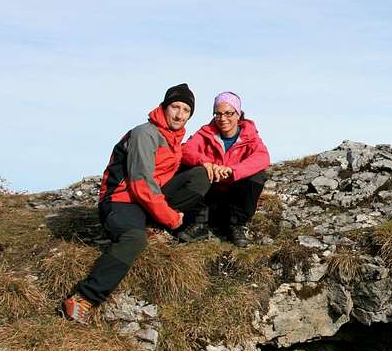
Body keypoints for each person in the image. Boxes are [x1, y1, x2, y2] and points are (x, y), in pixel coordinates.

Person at [60, 83, 211, 323]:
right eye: (175, 107)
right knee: (134, 238)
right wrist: (171, 217)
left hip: (145, 200)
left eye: (186, 110)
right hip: (120, 200)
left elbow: (173, 171)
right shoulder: (145, 133)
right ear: (164, 107)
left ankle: (153, 226)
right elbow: (141, 184)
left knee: (201, 176)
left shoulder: (174, 139)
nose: (180, 114)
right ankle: (84, 298)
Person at [178, 91, 270, 247]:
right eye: (218, 114)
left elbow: (262, 157)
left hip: (234, 196)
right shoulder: (206, 133)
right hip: (209, 195)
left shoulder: (249, 135)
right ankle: (200, 222)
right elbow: (186, 150)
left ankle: (236, 224)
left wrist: (233, 171)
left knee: (258, 175)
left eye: (229, 113)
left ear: (238, 114)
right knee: (191, 168)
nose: (223, 119)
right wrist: (206, 163)